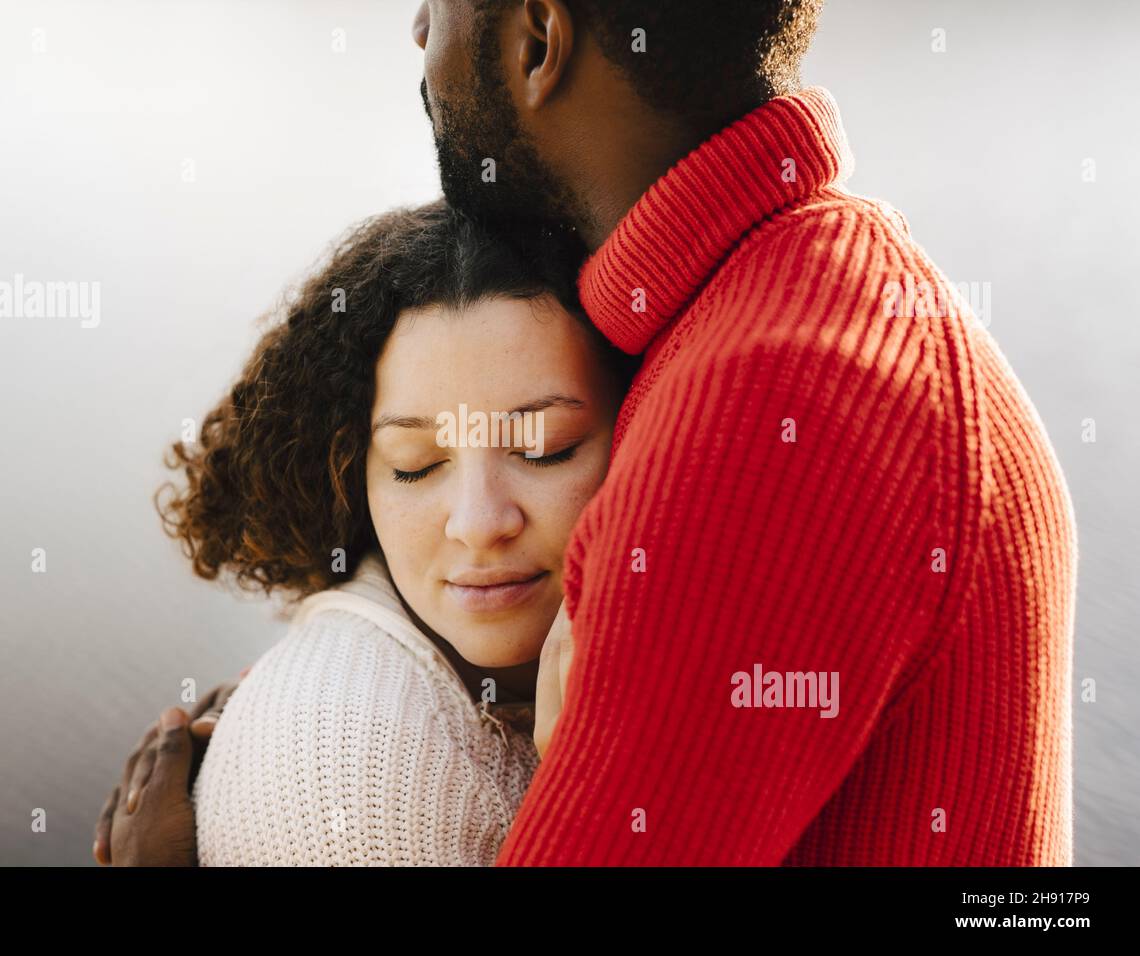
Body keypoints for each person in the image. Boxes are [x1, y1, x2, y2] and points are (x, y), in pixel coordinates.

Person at [411, 0, 1076, 865]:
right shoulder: (775, 305)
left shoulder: (771, 408)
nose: (420, 30)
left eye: (433, 2)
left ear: (539, 39)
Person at [94, 200, 633, 865]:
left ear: (646, 428)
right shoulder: (345, 771)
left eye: (544, 449)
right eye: (416, 465)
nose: (478, 523)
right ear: (353, 472)